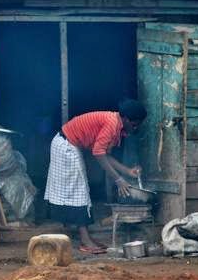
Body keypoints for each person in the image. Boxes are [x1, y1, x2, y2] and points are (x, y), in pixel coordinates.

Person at [44, 98, 147, 254]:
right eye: (134, 124)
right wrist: (118, 180)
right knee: (79, 194)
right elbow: (98, 154)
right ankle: (85, 241)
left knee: (78, 193)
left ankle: (84, 238)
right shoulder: (112, 124)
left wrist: (127, 171)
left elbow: (105, 154)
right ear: (125, 118)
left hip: (68, 144)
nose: (135, 128)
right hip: (65, 146)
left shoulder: (117, 125)